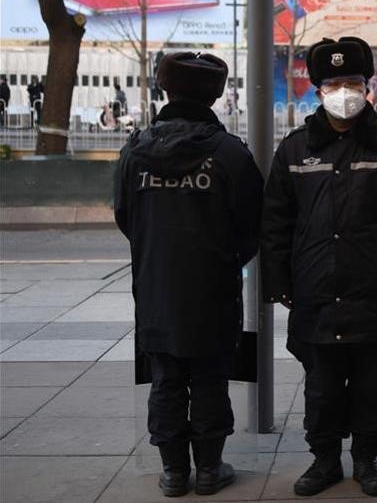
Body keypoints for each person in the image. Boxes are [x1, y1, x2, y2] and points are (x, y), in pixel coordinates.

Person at [260, 37, 377, 497]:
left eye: (352, 81)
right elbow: (275, 220)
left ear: (369, 85)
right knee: (323, 386)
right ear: (317, 90)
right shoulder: (296, 150)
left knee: (374, 384)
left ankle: (367, 458)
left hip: (372, 289)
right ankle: (324, 460)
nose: (344, 91)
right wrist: (278, 283)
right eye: (333, 82)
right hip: (315, 290)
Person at [113, 52, 263, 497]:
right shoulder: (230, 154)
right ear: (216, 95)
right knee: (211, 378)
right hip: (214, 286)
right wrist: (226, 260)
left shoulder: (135, 150)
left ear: (166, 89)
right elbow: (252, 224)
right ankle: (211, 470)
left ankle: (174, 471)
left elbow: (125, 215)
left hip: (157, 286)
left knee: (167, 379)